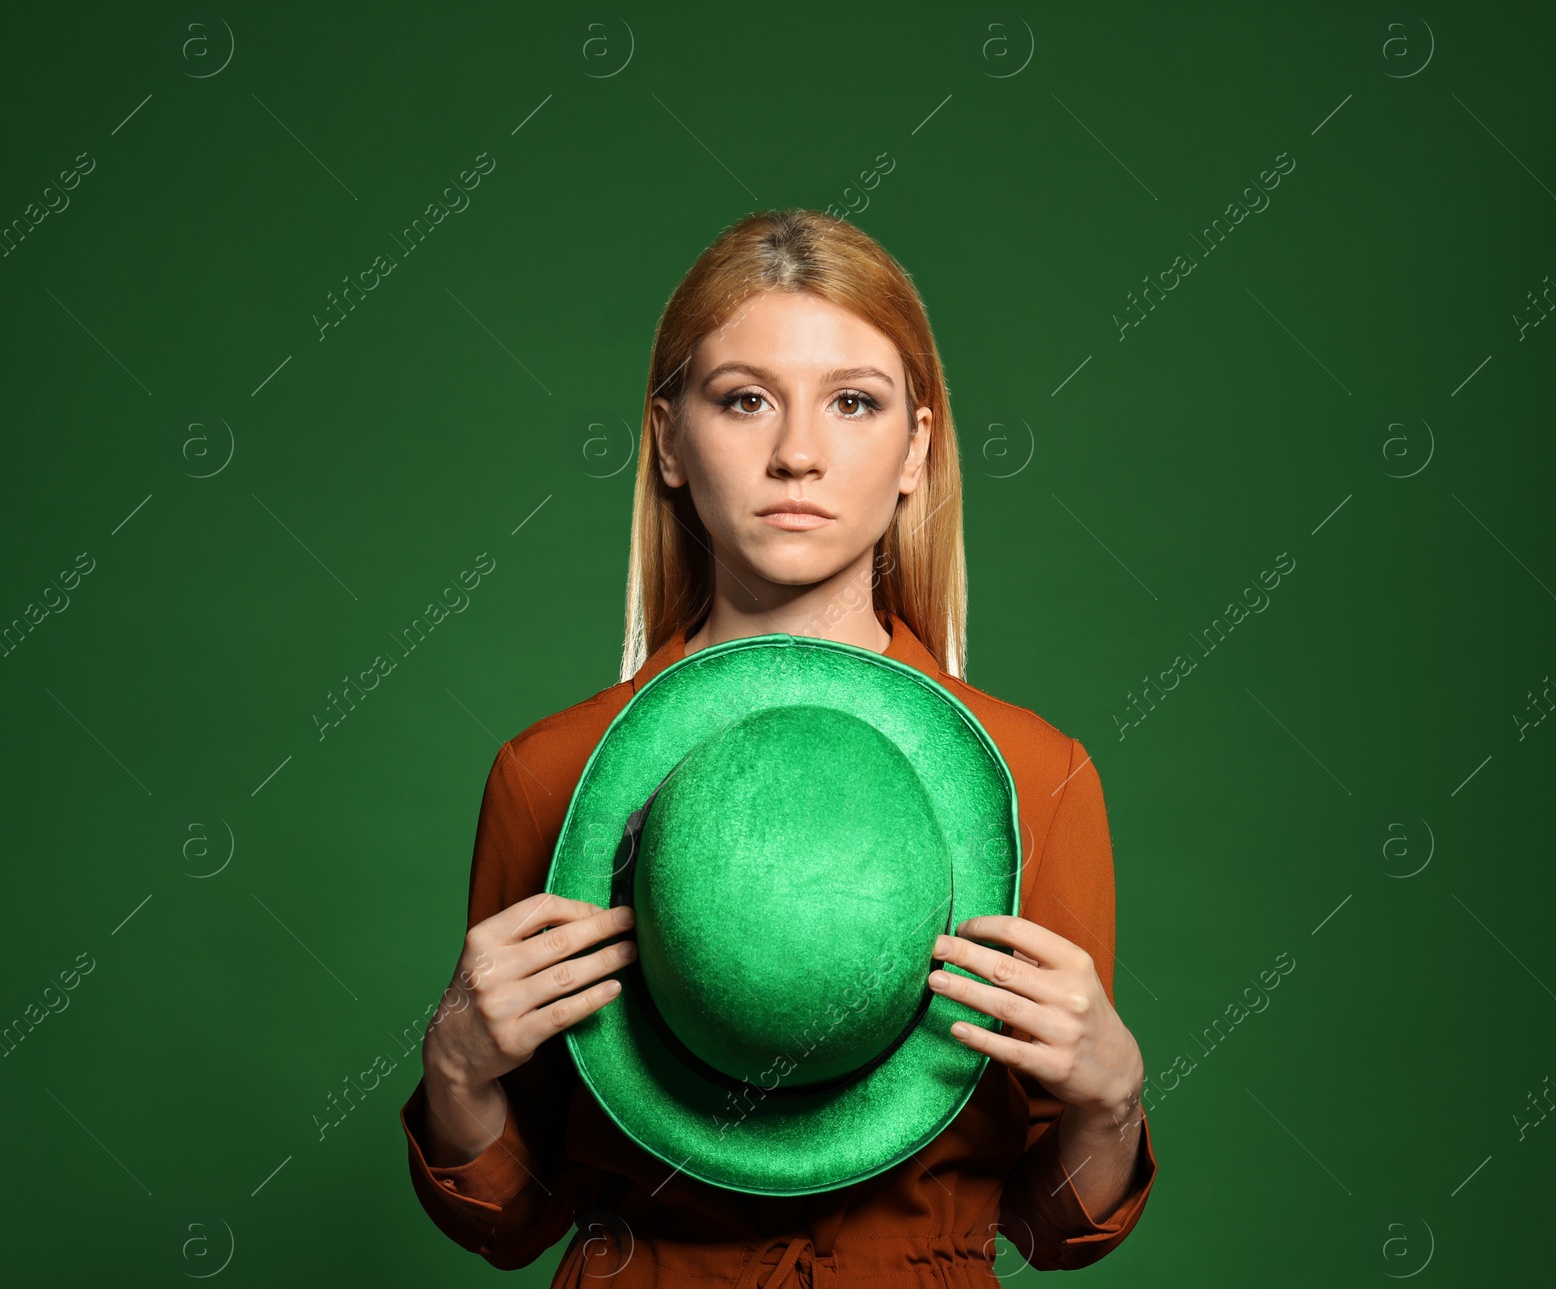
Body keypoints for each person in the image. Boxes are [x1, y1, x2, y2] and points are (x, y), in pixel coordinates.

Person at [399, 209, 1157, 1286]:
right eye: (743, 398)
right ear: (667, 439)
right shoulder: (549, 773)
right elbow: (513, 1218)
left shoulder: (1039, 778)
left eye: (854, 401)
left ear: (916, 448)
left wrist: (1110, 1094)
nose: (797, 452)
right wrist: (457, 1070)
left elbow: (1047, 1228)